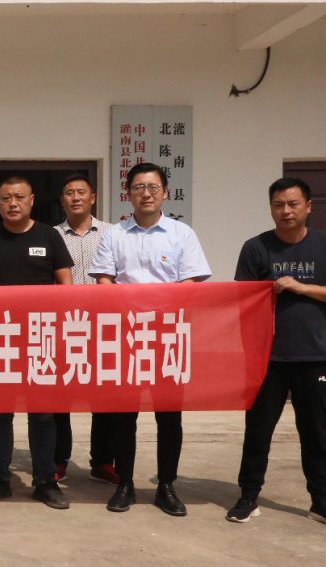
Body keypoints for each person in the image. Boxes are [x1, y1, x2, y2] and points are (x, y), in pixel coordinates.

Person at [90, 162, 211, 516]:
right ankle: (125, 484)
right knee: (123, 416)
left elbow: (191, 282)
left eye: (153, 187)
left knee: (169, 416)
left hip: (168, 336)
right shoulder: (114, 235)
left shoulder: (182, 234)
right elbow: (104, 281)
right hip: (126, 336)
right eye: (139, 187)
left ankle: (166, 486)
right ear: (128, 193)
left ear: (165, 193)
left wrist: (158, 309)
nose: (146, 193)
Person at [0, 175, 74, 510]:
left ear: (31, 200)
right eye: (5, 198)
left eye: (19, 197)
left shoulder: (49, 236)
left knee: (43, 415)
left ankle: (45, 481)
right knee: (0, 414)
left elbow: (65, 286)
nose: (12, 203)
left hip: (41, 338)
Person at [228, 178, 326, 525]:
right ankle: (248, 496)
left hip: (315, 355)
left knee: (317, 433)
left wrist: (302, 288)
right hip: (267, 357)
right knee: (257, 432)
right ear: (270, 209)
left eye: (293, 204)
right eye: (279, 205)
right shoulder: (256, 248)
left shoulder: (323, 245)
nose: (286, 211)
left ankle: (321, 501)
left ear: (308, 207)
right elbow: (242, 299)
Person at [53, 173, 116, 486]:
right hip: (61, 327)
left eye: (81, 192)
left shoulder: (111, 233)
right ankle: (57, 460)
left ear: (92, 198)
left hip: (104, 326)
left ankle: (103, 462)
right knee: (59, 397)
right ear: (62, 200)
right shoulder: (50, 235)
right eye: (69, 193)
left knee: (104, 397)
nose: (75, 197)